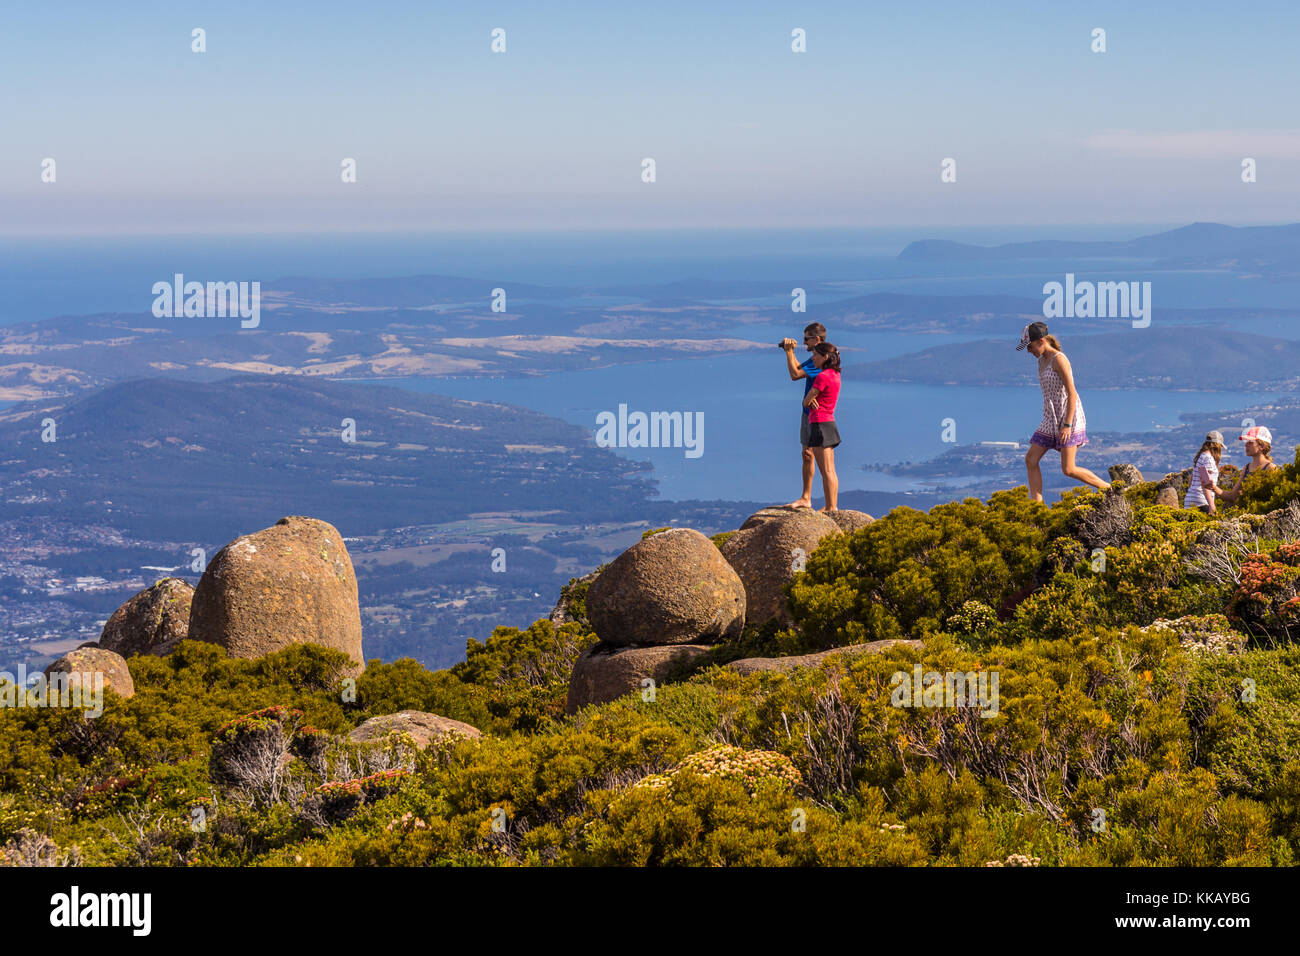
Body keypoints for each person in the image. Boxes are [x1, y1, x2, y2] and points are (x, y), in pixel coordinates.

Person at [1018, 321, 1110, 501]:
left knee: (1068, 469)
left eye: (1030, 347)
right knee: (1031, 460)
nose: (1029, 351)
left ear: (1041, 341)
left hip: (1070, 417)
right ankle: (1037, 509)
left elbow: (1072, 392)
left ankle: (1111, 489)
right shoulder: (1042, 361)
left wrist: (1067, 425)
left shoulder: (1059, 359)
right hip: (1051, 418)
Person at [779, 322, 827, 508]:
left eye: (807, 339)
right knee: (807, 454)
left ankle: (828, 501)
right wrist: (791, 354)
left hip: (818, 413)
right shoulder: (815, 357)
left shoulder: (822, 358)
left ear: (817, 339)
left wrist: (789, 352)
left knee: (822, 459)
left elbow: (795, 374)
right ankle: (806, 497)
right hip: (808, 411)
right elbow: (800, 368)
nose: (804, 342)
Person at [802, 342, 842, 511]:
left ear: (825, 357)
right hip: (830, 423)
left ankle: (831, 508)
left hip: (819, 423)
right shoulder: (835, 375)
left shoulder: (822, 376)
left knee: (825, 471)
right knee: (830, 470)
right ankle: (831, 505)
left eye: (816, 355)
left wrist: (811, 401)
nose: (813, 358)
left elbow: (806, 401)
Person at [1219, 425, 1281, 504]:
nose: (1246, 445)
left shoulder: (1271, 468)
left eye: (1250, 442)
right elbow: (1232, 496)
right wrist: (1213, 487)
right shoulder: (1247, 468)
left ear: (1262, 446)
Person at [1183, 431, 1227, 514]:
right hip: (1201, 502)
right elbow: (1205, 483)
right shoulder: (1209, 460)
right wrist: (1211, 505)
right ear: (1217, 446)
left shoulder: (1201, 457)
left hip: (1189, 500)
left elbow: (1191, 481)